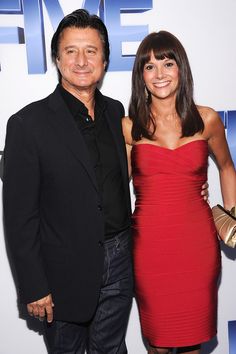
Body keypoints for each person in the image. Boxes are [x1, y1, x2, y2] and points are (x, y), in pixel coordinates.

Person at [2, 11, 209, 354]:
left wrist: (193, 188)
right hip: (63, 270)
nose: (81, 61)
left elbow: (145, 168)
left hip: (120, 259)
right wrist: (33, 286)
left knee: (113, 349)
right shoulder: (27, 124)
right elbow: (19, 217)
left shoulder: (118, 115)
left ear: (105, 59)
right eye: (71, 51)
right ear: (56, 58)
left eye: (91, 51)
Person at [122, 31, 236, 354]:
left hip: (197, 248)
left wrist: (231, 221)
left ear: (180, 69)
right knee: (157, 345)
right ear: (140, 76)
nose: (159, 74)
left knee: (191, 346)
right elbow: (115, 188)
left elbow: (227, 167)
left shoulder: (207, 119)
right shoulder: (129, 128)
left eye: (167, 63)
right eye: (149, 67)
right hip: (150, 250)